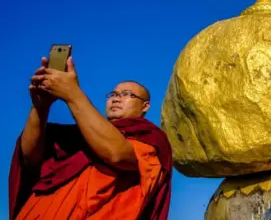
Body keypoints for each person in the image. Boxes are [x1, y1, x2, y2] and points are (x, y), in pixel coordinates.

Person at [9, 57, 172, 220]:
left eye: (126, 94)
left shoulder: (149, 136)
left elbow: (116, 154)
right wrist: (40, 106)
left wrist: (73, 94)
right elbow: (30, 158)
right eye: (113, 94)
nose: (116, 98)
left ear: (146, 106)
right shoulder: (78, 135)